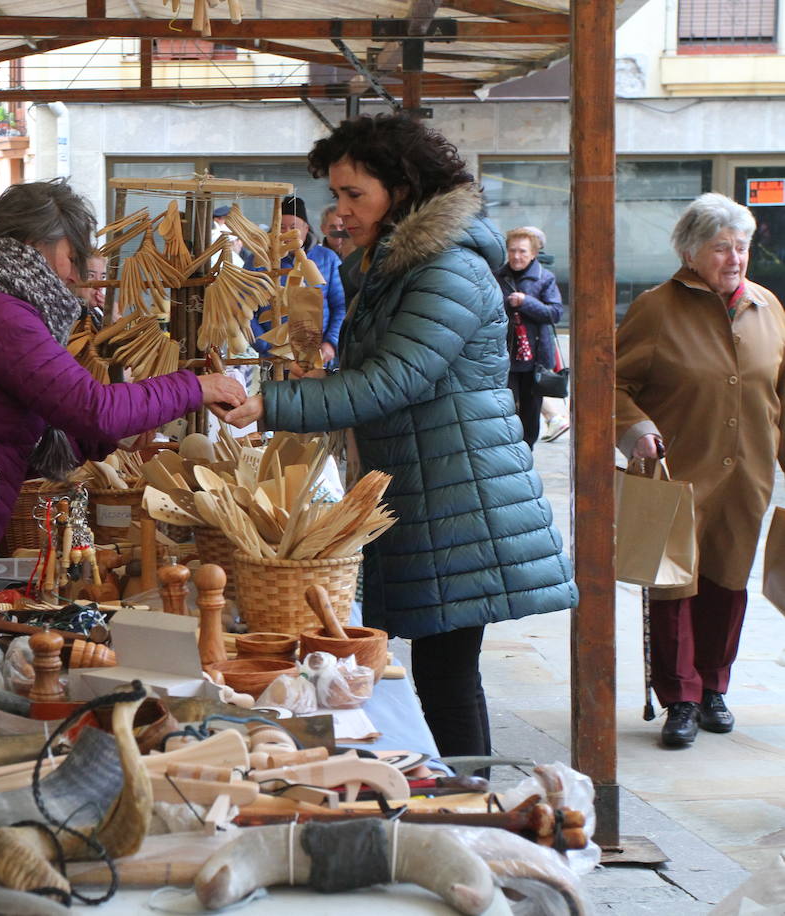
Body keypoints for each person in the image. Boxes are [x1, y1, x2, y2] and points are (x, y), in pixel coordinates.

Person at [223, 114, 577, 758]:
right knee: (441, 669)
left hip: (461, 491)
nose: (339, 211)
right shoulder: (394, 267)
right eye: (337, 195)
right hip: (427, 479)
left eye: (354, 194)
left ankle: (470, 805)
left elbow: (395, 379)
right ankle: (458, 796)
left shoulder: (448, 269)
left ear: (404, 190)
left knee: (448, 669)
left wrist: (270, 403)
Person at [0, 179, 247, 566]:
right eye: (71, 255)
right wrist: (193, 387)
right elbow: (95, 409)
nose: (76, 276)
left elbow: (38, 434)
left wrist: (109, 436)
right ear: (31, 245)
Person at [615, 192, 783, 750]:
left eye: (742, 247)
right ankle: (680, 699)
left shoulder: (767, 307)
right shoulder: (657, 308)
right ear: (690, 253)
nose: (735, 258)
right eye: (720, 248)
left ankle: (714, 686)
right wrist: (634, 428)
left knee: (728, 583)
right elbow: (611, 384)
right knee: (673, 586)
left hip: (748, 474)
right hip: (678, 471)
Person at [249, 196, 346, 365]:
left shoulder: (327, 259)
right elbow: (243, 308)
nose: (287, 233)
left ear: (306, 228)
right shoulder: (258, 261)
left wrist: (331, 343)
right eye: (282, 227)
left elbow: (341, 305)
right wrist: (265, 345)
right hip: (274, 358)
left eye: (293, 227)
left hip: (320, 357)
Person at [495, 226, 564, 449]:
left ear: (533, 253)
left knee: (531, 410)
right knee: (506, 408)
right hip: (505, 355)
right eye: (512, 250)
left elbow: (554, 313)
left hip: (535, 359)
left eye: (523, 251)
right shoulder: (498, 276)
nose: (516, 256)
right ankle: (510, 451)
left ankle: (527, 450)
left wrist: (526, 302)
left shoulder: (545, 278)